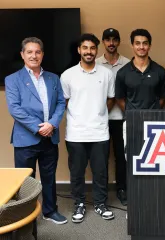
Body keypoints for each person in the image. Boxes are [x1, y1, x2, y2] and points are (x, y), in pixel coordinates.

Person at [5, 37, 67, 224]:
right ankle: (25, 216)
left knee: (49, 177)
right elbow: (15, 109)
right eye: (30, 52)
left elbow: (61, 103)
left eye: (37, 52)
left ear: (42, 54)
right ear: (23, 55)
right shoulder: (13, 79)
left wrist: (52, 124)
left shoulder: (53, 78)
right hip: (26, 139)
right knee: (25, 182)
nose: (34, 55)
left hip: (50, 137)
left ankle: (50, 211)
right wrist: (38, 127)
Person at [60, 33, 115, 223]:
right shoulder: (68, 75)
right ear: (79, 50)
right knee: (77, 172)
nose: (89, 51)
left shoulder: (107, 74)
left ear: (96, 50)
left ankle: (100, 203)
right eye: (85, 48)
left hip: (100, 132)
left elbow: (110, 98)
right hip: (76, 133)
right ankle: (79, 204)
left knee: (100, 172)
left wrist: (98, 114)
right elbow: (65, 101)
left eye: (92, 48)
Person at [96, 28, 130, 206]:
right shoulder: (95, 63)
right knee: (100, 157)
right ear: (103, 42)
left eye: (114, 40)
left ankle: (122, 189)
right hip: (100, 119)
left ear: (118, 42)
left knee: (121, 156)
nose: (111, 43)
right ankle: (100, 193)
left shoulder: (127, 63)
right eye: (107, 40)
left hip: (121, 118)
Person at [115, 28, 165, 112]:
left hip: (153, 121)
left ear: (149, 46)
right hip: (132, 120)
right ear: (132, 45)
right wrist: (132, 114)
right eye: (137, 43)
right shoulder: (122, 73)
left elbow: (163, 98)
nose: (141, 47)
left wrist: (152, 113)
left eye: (145, 43)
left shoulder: (160, 71)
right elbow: (119, 99)